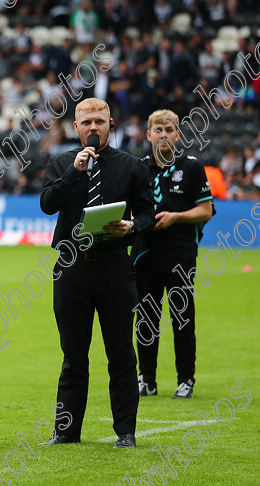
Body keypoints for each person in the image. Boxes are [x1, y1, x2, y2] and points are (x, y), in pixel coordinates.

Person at [40, 98, 155, 449]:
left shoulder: (132, 166)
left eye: (100, 122)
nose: (93, 128)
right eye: (86, 122)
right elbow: (47, 204)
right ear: (75, 127)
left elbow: (149, 216)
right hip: (72, 268)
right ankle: (66, 432)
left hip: (115, 268)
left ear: (111, 124)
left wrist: (132, 226)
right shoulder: (61, 162)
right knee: (73, 355)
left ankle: (126, 433)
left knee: (120, 353)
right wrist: (75, 172)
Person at [132, 110, 213, 399]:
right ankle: (147, 379)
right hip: (145, 254)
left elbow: (205, 210)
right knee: (146, 319)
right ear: (148, 134)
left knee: (182, 317)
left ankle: (185, 379)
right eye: (158, 129)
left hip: (180, 254)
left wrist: (176, 217)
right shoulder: (138, 167)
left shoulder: (191, 167)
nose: (163, 134)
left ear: (178, 134)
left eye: (169, 129)